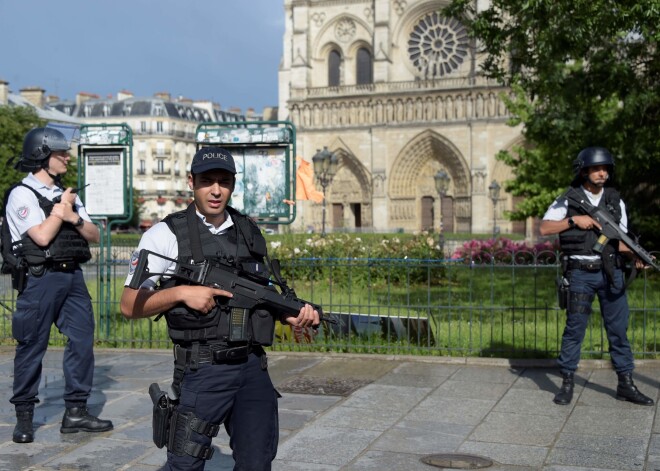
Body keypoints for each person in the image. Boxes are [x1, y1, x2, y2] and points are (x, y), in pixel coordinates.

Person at [120, 146, 319, 471]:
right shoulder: (165, 235)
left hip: (253, 369)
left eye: (223, 181)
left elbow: (260, 294)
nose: (215, 190)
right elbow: (129, 305)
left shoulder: (249, 231)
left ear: (233, 184)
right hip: (202, 371)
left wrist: (291, 314)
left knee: (257, 464)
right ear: (191, 182)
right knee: (184, 465)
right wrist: (182, 293)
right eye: (207, 181)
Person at [7, 127, 113, 443]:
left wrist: (74, 217)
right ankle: (24, 417)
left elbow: (95, 235)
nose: (67, 157)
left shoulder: (67, 194)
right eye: (60, 152)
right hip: (40, 279)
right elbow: (40, 237)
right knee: (31, 347)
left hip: (72, 278)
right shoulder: (21, 194)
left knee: (82, 341)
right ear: (42, 155)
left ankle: (76, 412)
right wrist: (61, 212)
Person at [540, 147, 654, 406]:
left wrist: (639, 256)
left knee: (618, 331)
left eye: (605, 169)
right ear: (584, 171)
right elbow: (545, 227)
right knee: (574, 330)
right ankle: (567, 383)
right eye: (596, 168)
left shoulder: (615, 201)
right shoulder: (567, 199)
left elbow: (620, 241)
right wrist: (573, 221)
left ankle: (626, 383)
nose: (602, 173)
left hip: (611, 273)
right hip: (580, 274)